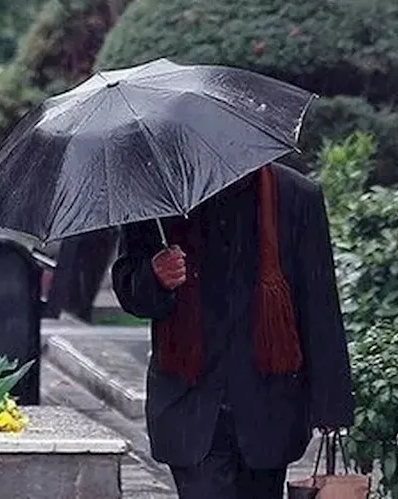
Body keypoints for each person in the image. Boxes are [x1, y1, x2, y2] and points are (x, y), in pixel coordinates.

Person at [111, 163, 355, 499]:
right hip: (190, 406)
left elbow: (318, 302)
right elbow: (130, 289)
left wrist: (331, 406)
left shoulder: (296, 196)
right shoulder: (157, 197)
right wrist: (154, 277)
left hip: (269, 409)